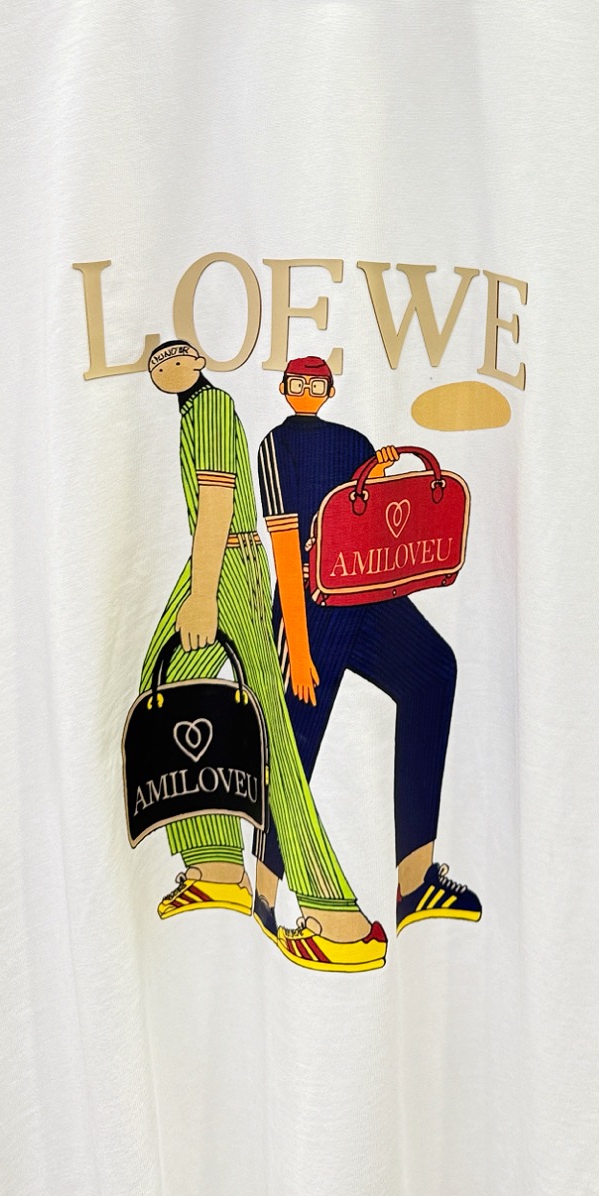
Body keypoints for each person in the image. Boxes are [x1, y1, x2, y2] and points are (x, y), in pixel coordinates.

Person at [137, 339, 388, 973]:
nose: (165, 370)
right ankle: (218, 866)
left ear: (197, 363)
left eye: (176, 360)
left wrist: (203, 596)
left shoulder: (211, 408)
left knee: (264, 726)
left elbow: (218, 505)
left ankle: (337, 916)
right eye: (158, 364)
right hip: (223, 563)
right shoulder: (196, 409)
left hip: (224, 564)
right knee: (179, 691)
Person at [255, 354, 481, 936]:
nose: (307, 390)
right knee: (294, 737)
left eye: (316, 383)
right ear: (284, 388)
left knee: (432, 671)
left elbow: (371, 522)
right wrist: (296, 643)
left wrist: (375, 474)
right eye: (298, 382)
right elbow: (285, 545)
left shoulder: (353, 440)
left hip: (362, 586)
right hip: (310, 598)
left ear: (329, 390)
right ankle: (263, 895)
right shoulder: (275, 446)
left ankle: (416, 882)